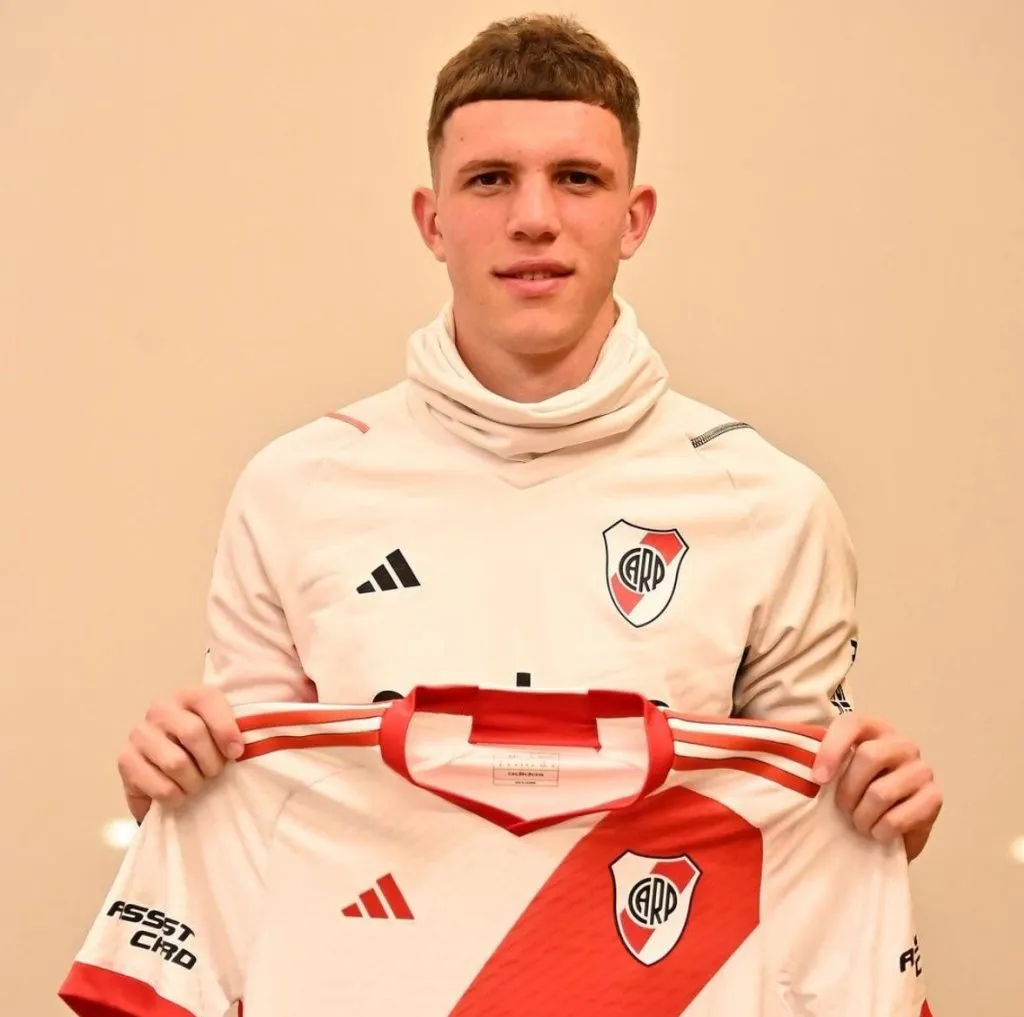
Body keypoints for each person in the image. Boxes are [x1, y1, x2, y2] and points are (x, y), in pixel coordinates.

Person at [116, 14, 941, 860]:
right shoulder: (294, 489)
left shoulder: (771, 505)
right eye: (490, 180)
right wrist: (171, 792)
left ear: (634, 217)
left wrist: (879, 824)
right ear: (432, 221)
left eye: (578, 178)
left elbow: (795, 855)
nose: (535, 217)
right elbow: (253, 831)